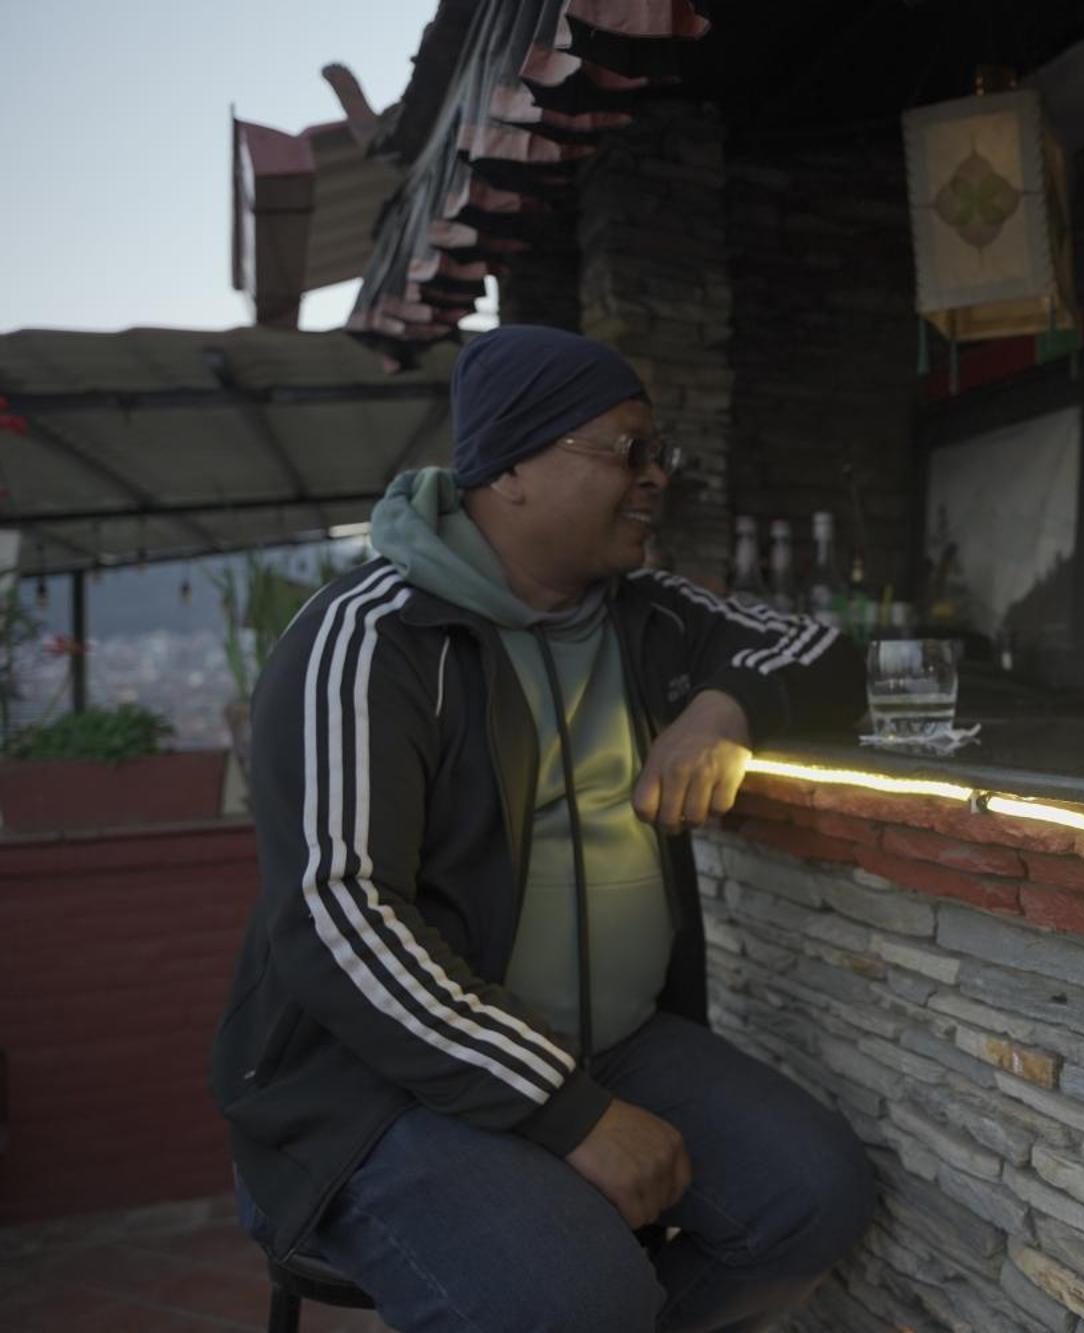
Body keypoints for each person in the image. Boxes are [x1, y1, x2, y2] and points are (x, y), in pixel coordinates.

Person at [210, 325, 873, 1333]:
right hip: (377, 1085)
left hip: (611, 1041)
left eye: (660, 454)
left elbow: (819, 646)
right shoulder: (371, 636)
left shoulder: (645, 611)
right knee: (577, 1299)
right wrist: (571, 1113)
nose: (656, 478)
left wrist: (721, 709)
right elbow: (336, 913)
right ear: (509, 467)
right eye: (627, 449)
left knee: (811, 1197)